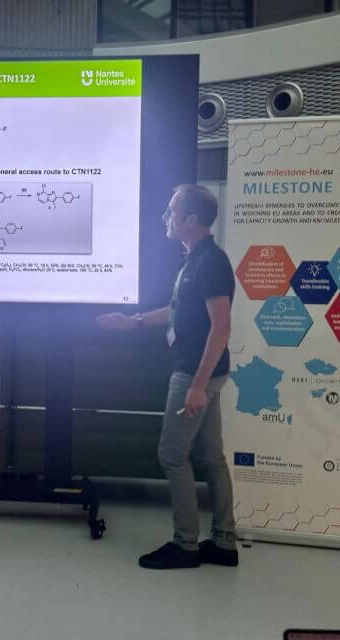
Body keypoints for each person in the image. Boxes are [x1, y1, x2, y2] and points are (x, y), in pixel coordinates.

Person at [97, 184, 238, 569]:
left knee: (172, 455)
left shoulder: (211, 262)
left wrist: (197, 386)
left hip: (195, 374)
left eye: (171, 211)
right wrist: (135, 321)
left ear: (191, 219)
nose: (165, 217)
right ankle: (224, 543)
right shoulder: (194, 259)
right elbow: (178, 311)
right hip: (201, 373)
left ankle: (185, 545)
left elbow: (221, 328)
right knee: (211, 456)